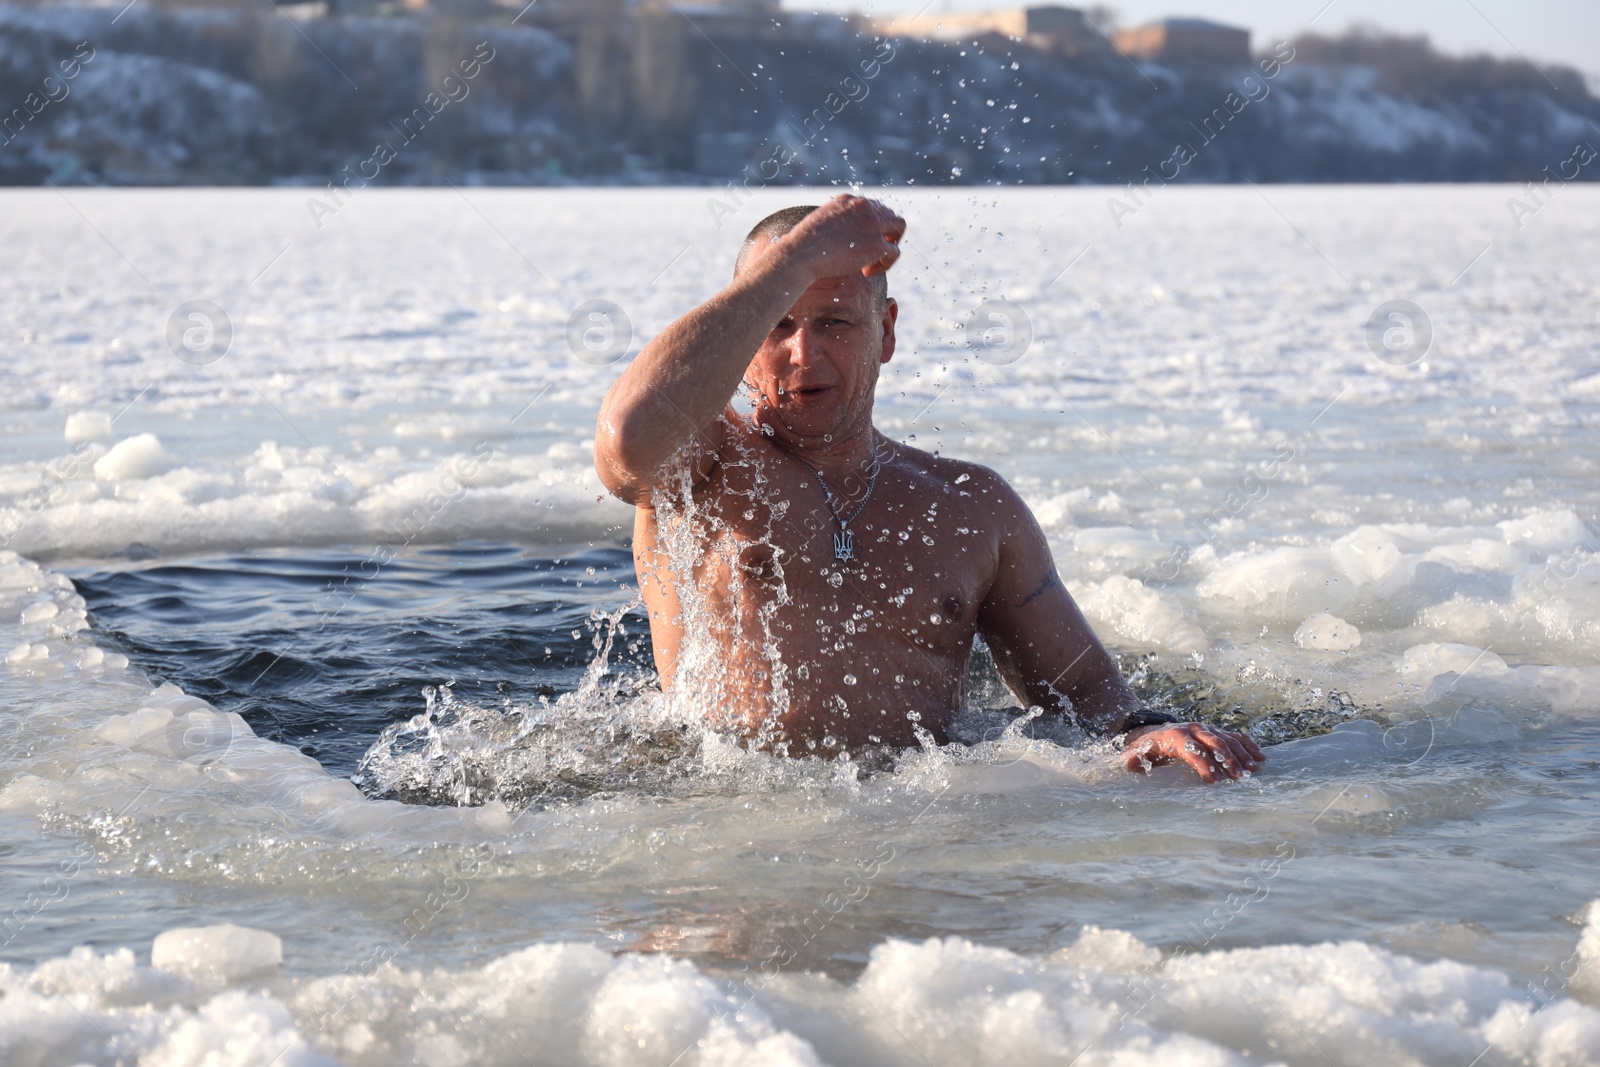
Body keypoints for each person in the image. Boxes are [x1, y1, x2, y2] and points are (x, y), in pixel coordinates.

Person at [594, 194, 1265, 782]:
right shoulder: (701, 468)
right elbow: (625, 440)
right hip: (723, 811)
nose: (803, 354)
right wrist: (791, 262)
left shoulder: (971, 508)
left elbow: (1085, 691)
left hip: (914, 822)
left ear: (884, 332)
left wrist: (1141, 734)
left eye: (833, 322)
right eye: (777, 324)